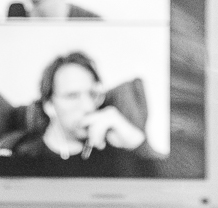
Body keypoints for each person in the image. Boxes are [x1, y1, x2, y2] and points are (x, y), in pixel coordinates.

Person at [12, 52, 146, 172]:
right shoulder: (21, 154)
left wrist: (135, 141)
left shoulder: (112, 153)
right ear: (49, 105)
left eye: (93, 94)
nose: (88, 107)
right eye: (73, 96)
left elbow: (155, 181)